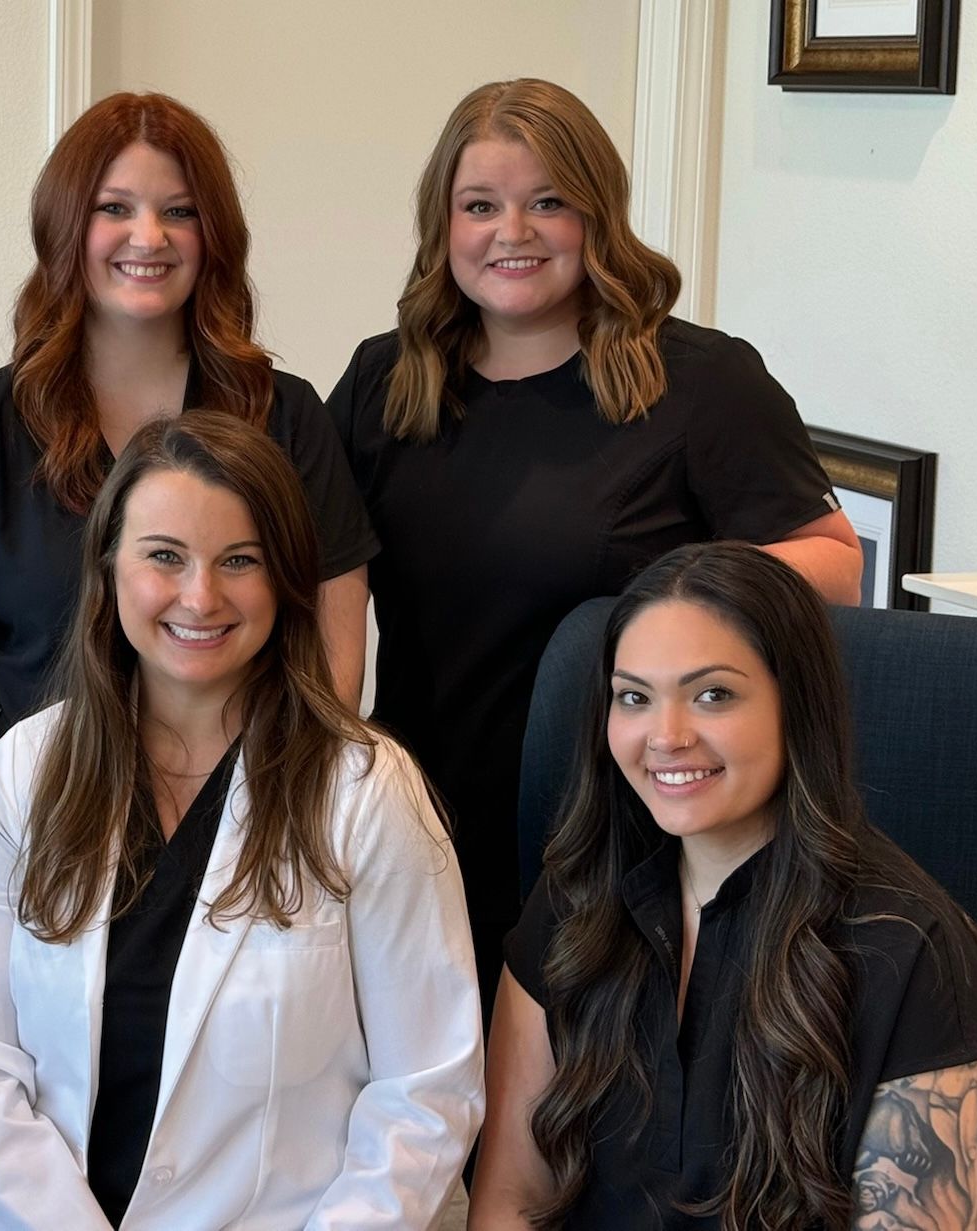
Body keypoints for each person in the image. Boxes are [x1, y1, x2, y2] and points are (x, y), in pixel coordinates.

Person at [327, 78, 863, 1009]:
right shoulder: (387, 380)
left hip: (631, 828)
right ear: (441, 225)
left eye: (548, 203)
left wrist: (664, 614)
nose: (513, 232)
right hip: (421, 825)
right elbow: (309, 572)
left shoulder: (699, 380)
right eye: (479, 206)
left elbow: (836, 566)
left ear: (597, 215)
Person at [0, 411, 483, 1229]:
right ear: (109, 566)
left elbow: (426, 1090)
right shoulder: (22, 773)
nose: (200, 596)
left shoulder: (366, 788)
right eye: (164, 557)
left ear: (286, 578)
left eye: (239, 561)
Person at [468, 542, 977, 1231]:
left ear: (796, 706)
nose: (664, 735)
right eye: (633, 697)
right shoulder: (575, 898)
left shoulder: (911, 956)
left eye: (712, 694)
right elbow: (510, 1201)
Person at [0, 91, 378, 826]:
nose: (148, 237)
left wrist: (268, 832)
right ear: (64, 226)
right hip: (47, 834)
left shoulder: (290, 417)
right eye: (112, 208)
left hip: (250, 836)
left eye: (179, 211)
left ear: (214, 234)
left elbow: (331, 666)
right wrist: (9, 856)